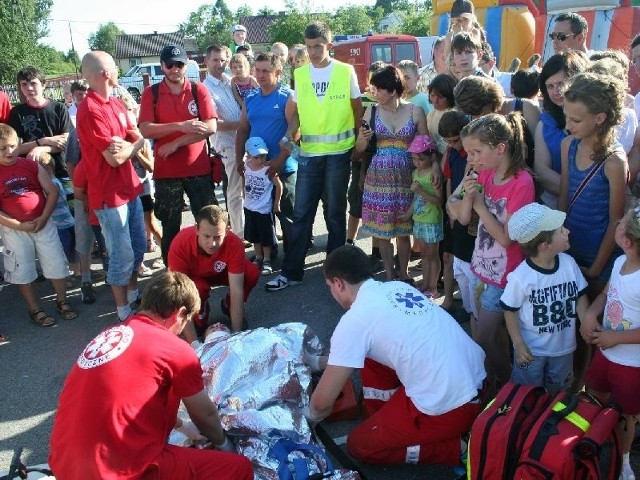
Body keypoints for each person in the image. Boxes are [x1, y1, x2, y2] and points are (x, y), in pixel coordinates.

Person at [49, 271, 254, 480]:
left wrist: (183, 427)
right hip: (116, 471)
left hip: (64, 465)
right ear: (180, 314)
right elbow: (206, 415)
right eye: (186, 322)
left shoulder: (109, 335)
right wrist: (223, 444)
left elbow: (131, 397)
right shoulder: (174, 349)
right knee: (238, 467)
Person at [308, 245, 486, 467]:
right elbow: (347, 357)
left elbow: (320, 405)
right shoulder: (397, 288)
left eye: (329, 286)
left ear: (338, 283)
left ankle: (461, 448)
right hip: (477, 381)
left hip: (450, 406)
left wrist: (303, 419)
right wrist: (316, 363)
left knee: (359, 446)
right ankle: (388, 417)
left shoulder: (355, 320)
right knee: (368, 355)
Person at [266, 21, 363, 291]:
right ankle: (292, 272)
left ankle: (335, 275)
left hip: (338, 154)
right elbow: (296, 113)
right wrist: (287, 140)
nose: (314, 52)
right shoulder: (302, 74)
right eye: (309, 47)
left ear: (329, 45)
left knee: (334, 213)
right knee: (301, 214)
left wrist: (358, 143)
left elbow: (357, 109)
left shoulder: (345, 71)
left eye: (318, 46)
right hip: (308, 155)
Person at [447, 112, 536, 393]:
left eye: (476, 151)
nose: (470, 158)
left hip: (505, 276)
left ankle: (510, 387)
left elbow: (509, 239)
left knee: (484, 336)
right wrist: (468, 200)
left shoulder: (522, 183)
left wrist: (478, 206)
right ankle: (495, 384)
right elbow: (459, 213)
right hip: (480, 266)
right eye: (469, 152)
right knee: (488, 334)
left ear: (500, 148)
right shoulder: (482, 171)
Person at [77, 51, 147, 321]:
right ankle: (123, 313)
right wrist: (133, 145)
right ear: (106, 73)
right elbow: (114, 157)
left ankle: (132, 296)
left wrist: (131, 144)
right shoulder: (90, 109)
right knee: (121, 255)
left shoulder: (115, 103)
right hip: (110, 197)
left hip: (130, 190)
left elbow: (136, 134)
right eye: (115, 68)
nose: (118, 71)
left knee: (138, 247)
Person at [138, 45, 218, 264]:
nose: (175, 69)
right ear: (162, 66)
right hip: (167, 172)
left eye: (179, 65)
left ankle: (210, 264)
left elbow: (210, 127)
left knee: (208, 220)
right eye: (170, 65)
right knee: (170, 224)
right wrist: (182, 126)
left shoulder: (198, 90)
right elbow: (145, 129)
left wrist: (177, 142)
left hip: (198, 169)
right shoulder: (151, 93)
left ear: (186, 65)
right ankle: (173, 270)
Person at [501, 203, 589, 393]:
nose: (567, 231)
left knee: (558, 394)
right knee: (526, 395)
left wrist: (585, 321)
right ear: (545, 246)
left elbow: (580, 295)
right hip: (531, 352)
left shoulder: (569, 264)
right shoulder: (521, 277)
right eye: (560, 230)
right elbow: (510, 310)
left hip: (563, 349)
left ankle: (550, 422)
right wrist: (518, 343)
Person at [582, 205, 640, 480]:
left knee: (625, 415)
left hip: (631, 364)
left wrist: (614, 337)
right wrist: (591, 313)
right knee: (593, 393)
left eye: (621, 224)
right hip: (605, 353)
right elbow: (607, 293)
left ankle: (624, 461)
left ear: (626, 241)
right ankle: (594, 441)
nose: (617, 222)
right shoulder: (619, 263)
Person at [0, 124, 77, 327]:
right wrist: (19, 225)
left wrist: (43, 218)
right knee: (22, 269)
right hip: (14, 229)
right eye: (2, 148)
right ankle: (35, 309)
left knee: (56, 263)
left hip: (43, 222)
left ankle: (62, 301)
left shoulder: (30, 166)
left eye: (12, 146)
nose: (9, 152)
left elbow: (52, 191)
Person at [357, 66, 428, 283]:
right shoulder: (372, 111)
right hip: (378, 178)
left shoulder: (415, 111)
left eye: (378, 89)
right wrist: (362, 138)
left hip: (408, 176)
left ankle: (404, 274)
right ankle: (389, 276)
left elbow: (426, 145)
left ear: (394, 91)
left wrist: (428, 171)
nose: (374, 93)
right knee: (383, 231)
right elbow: (359, 149)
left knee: (403, 229)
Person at [235, 52, 297, 255]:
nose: (260, 75)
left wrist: (280, 159)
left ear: (278, 72)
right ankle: (268, 257)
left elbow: (295, 131)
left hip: (283, 168)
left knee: (286, 215)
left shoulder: (287, 96)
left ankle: (293, 258)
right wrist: (239, 161)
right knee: (260, 215)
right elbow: (243, 129)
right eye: (257, 70)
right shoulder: (250, 97)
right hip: (256, 170)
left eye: (266, 71)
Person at [168, 205, 259, 342]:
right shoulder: (180, 244)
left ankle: (228, 306)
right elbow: (180, 297)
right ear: (197, 229)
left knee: (251, 273)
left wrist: (236, 336)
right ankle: (200, 311)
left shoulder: (235, 244)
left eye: (218, 236)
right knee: (196, 290)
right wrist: (194, 344)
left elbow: (236, 290)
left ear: (227, 231)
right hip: (194, 278)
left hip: (221, 273)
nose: (212, 243)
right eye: (207, 236)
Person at [534, 51, 589, 208]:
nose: (556, 91)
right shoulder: (545, 124)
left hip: (593, 208)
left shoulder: (595, 119)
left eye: (562, 84)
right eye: (550, 86)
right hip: (555, 205)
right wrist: (581, 194)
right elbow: (542, 171)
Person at [203, 44, 245, 240]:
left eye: (223, 60)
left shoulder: (231, 81)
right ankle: (239, 233)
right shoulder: (205, 89)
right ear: (206, 61)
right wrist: (241, 124)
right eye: (215, 60)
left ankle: (257, 229)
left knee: (253, 188)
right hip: (228, 146)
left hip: (245, 141)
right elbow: (213, 123)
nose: (220, 64)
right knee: (235, 192)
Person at [8, 66, 72, 180]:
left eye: (33, 83)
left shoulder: (59, 108)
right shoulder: (17, 113)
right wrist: (43, 141)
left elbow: (65, 141)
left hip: (60, 170)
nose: (29, 88)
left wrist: (40, 148)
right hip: (31, 172)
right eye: (24, 84)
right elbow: (15, 148)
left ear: (43, 84)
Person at [439, 111, 474, 315]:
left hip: (467, 210)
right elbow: (450, 180)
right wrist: (449, 207)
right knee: (447, 257)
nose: (451, 145)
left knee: (465, 263)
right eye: (447, 141)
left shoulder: (471, 154)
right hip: (453, 209)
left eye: (453, 141)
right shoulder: (451, 152)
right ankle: (448, 299)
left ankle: (469, 308)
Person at [401, 134, 443, 297]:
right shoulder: (415, 173)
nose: (417, 163)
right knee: (424, 254)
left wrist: (421, 191)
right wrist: (407, 214)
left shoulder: (433, 175)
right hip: (419, 220)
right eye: (414, 159)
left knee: (432, 255)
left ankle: (433, 287)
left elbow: (439, 201)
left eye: (420, 159)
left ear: (432, 156)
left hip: (432, 220)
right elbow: (415, 200)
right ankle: (425, 283)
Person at [243, 137, 282, 275]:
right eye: (256, 157)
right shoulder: (246, 165)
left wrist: (276, 203)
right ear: (248, 154)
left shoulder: (268, 169)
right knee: (254, 236)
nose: (260, 159)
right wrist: (244, 194)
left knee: (266, 237)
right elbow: (245, 180)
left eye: (263, 156)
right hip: (249, 207)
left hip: (264, 209)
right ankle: (258, 257)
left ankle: (267, 260)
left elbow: (278, 186)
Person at [426, 73, 457, 155]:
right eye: (432, 95)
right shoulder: (432, 113)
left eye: (440, 97)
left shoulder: (454, 115)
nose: (435, 101)